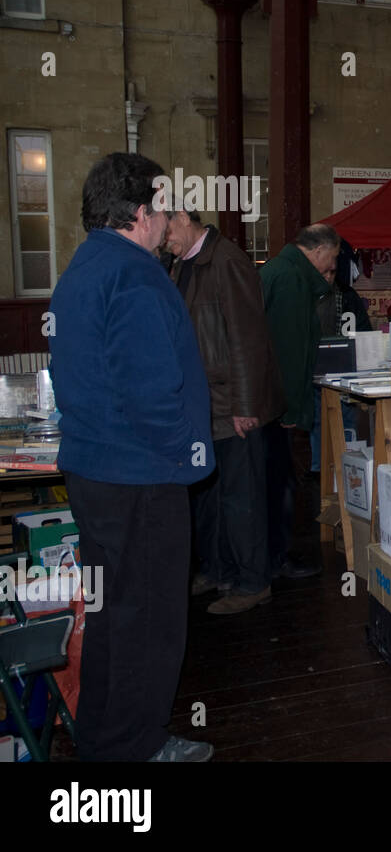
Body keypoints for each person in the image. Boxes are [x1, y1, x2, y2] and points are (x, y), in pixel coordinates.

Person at [49, 152, 215, 761]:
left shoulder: (84, 267)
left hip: (95, 471)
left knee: (114, 616)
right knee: (148, 621)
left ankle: (102, 736)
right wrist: (180, 453)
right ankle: (136, 748)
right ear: (141, 214)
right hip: (140, 477)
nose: (169, 221)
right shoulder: (137, 274)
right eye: (164, 208)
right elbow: (150, 389)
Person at [163, 206, 284, 614]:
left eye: (166, 229)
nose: (163, 238)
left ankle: (253, 582)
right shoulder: (184, 263)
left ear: (182, 216)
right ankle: (219, 570)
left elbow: (249, 341)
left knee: (242, 498)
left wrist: (245, 406)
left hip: (232, 405)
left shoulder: (227, 261)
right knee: (211, 496)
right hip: (204, 404)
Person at [261, 223, 340, 579]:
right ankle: (277, 559)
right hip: (278, 405)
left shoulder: (279, 270)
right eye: (333, 258)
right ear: (320, 250)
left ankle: (271, 556)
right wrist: (292, 409)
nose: (332, 267)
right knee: (281, 483)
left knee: (275, 482)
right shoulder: (292, 281)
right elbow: (291, 351)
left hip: (267, 400)